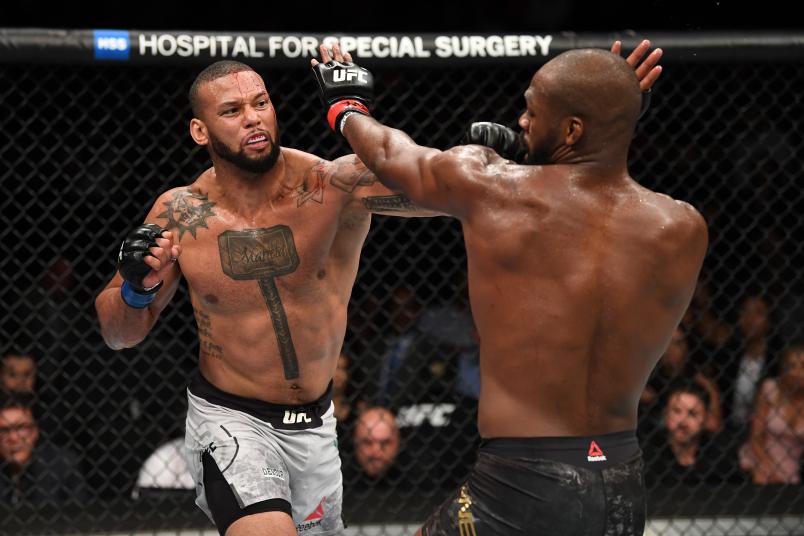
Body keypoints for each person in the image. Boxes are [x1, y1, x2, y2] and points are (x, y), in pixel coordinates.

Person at [311, 39, 706, 535]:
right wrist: (612, 113)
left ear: (571, 129)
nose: (521, 121)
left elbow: (392, 154)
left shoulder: (493, 186)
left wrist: (344, 106)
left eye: (532, 112)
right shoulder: (683, 228)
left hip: (524, 480)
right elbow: (598, 194)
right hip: (622, 481)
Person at [94, 60, 439, 536]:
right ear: (200, 130)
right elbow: (117, 336)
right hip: (230, 420)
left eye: (261, 103)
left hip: (316, 425)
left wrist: (354, 115)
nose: (254, 118)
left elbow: (442, 185)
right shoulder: (180, 212)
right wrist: (136, 289)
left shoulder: (333, 185)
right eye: (232, 110)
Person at [0, 390, 86, 506]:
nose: (13, 438)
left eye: (21, 427)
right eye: (4, 430)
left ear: (35, 432)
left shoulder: (62, 464)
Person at [739, 342, 804, 485]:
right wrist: (769, 469)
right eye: (792, 366)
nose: (798, 372)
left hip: (791, 464)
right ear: (783, 369)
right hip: (759, 454)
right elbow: (756, 438)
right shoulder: (770, 389)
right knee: (760, 478)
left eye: (803, 367)